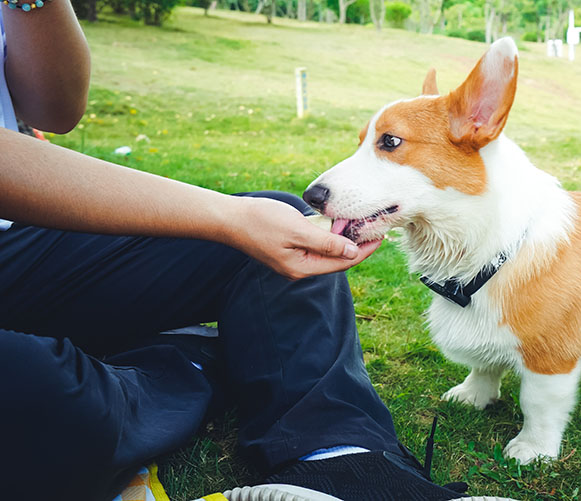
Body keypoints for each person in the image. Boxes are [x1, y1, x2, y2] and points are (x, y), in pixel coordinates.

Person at [0, 3, 473, 500]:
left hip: (20, 239)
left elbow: (54, 110)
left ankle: (338, 457)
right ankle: (188, 360)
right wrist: (226, 217)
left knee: (282, 221)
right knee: (34, 386)